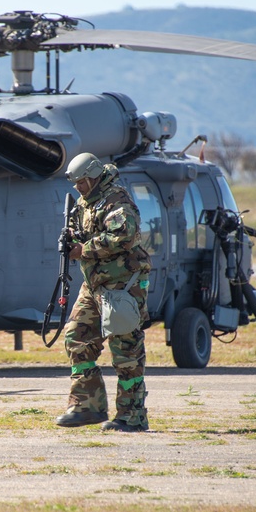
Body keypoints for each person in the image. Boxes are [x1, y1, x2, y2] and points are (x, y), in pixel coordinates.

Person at [56, 153, 151, 432]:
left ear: (94, 176)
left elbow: (124, 235)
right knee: (77, 338)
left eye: (82, 182)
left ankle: (132, 416)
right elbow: (80, 233)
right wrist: (71, 239)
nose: (78, 188)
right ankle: (87, 406)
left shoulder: (116, 200)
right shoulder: (85, 204)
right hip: (94, 285)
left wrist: (83, 249)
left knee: (126, 352)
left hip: (123, 284)